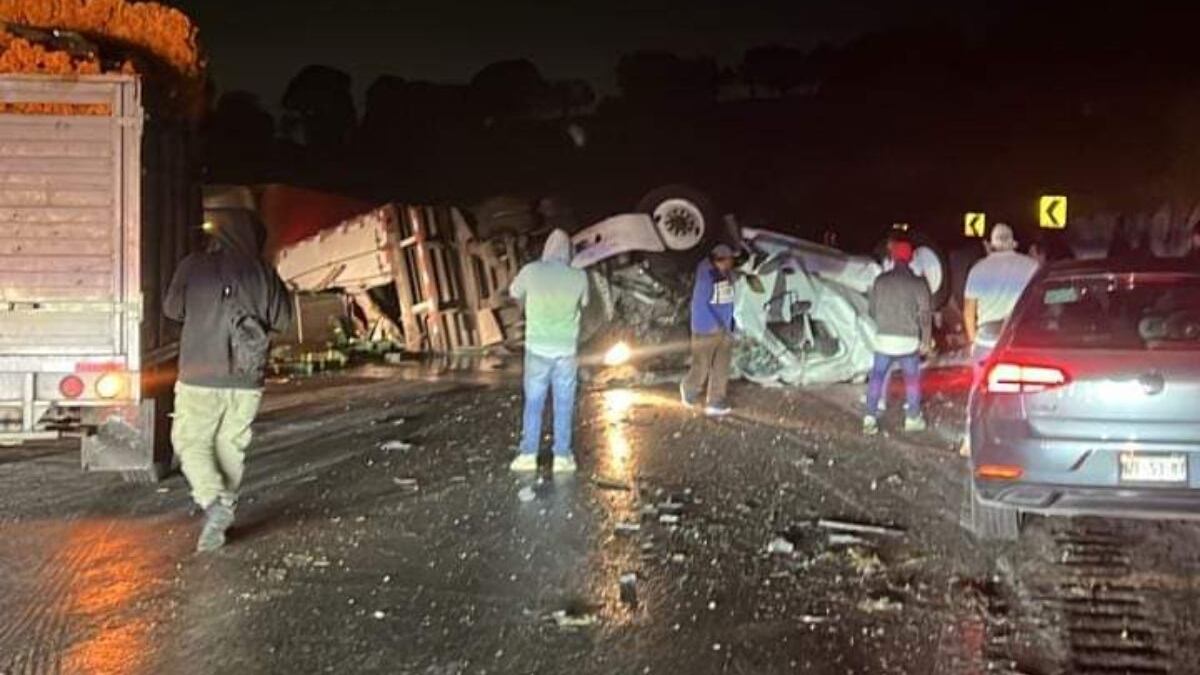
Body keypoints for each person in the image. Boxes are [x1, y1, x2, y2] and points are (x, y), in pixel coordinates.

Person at [164, 211, 293, 553]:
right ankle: (225, 512)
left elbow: (172, 309)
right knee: (230, 444)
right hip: (247, 379)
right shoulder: (264, 272)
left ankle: (213, 504)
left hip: (200, 373)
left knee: (191, 441)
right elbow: (284, 320)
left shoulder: (193, 265)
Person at [509, 229, 589, 474]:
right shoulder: (580, 276)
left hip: (537, 349)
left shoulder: (531, 271)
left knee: (533, 404)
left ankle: (528, 456)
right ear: (569, 252)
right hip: (566, 351)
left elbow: (514, 293)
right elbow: (584, 304)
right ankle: (562, 458)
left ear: (546, 249)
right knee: (563, 404)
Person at [960, 223, 1038, 456]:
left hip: (987, 341)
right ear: (1013, 242)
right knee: (1024, 391)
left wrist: (973, 340)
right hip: (1019, 341)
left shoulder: (979, 269)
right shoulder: (1032, 267)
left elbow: (968, 310)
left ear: (990, 245)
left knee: (979, 389)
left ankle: (969, 439)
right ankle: (1026, 440)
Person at [863, 240, 932, 436]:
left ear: (892, 258)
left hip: (884, 339)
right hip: (908, 341)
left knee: (876, 377)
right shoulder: (918, 283)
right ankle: (912, 418)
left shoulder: (880, 281)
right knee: (912, 380)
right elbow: (925, 314)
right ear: (910, 259)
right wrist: (926, 340)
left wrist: (886, 322)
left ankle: (869, 417)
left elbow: (872, 311)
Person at [681, 244, 738, 416]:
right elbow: (699, 304)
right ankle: (689, 389)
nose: (730, 264)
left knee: (722, 365)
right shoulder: (706, 276)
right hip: (706, 329)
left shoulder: (727, 274)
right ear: (718, 260)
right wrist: (711, 324)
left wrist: (731, 325)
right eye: (728, 261)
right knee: (702, 365)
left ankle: (716, 400)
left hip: (725, 327)